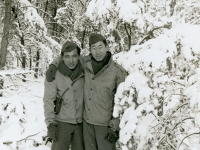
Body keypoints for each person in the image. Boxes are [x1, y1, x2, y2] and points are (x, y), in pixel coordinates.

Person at [46, 33, 127, 150]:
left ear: (107, 47)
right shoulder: (85, 64)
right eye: (93, 48)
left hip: (105, 126)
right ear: (89, 50)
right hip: (87, 126)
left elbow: (122, 102)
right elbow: (68, 56)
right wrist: (53, 65)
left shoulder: (118, 72)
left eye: (100, 47)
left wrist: (115, 126)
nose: (97, 52)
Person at [43, 41, 84, 150]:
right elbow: (48, 100)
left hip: (81, 124)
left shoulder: (85, 70)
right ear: (62, 57)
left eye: (74, 56)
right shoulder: (54, 74)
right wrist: (51, 124)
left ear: (79, 56)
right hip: (61, 124)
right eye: (67, 56)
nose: (71, 61)